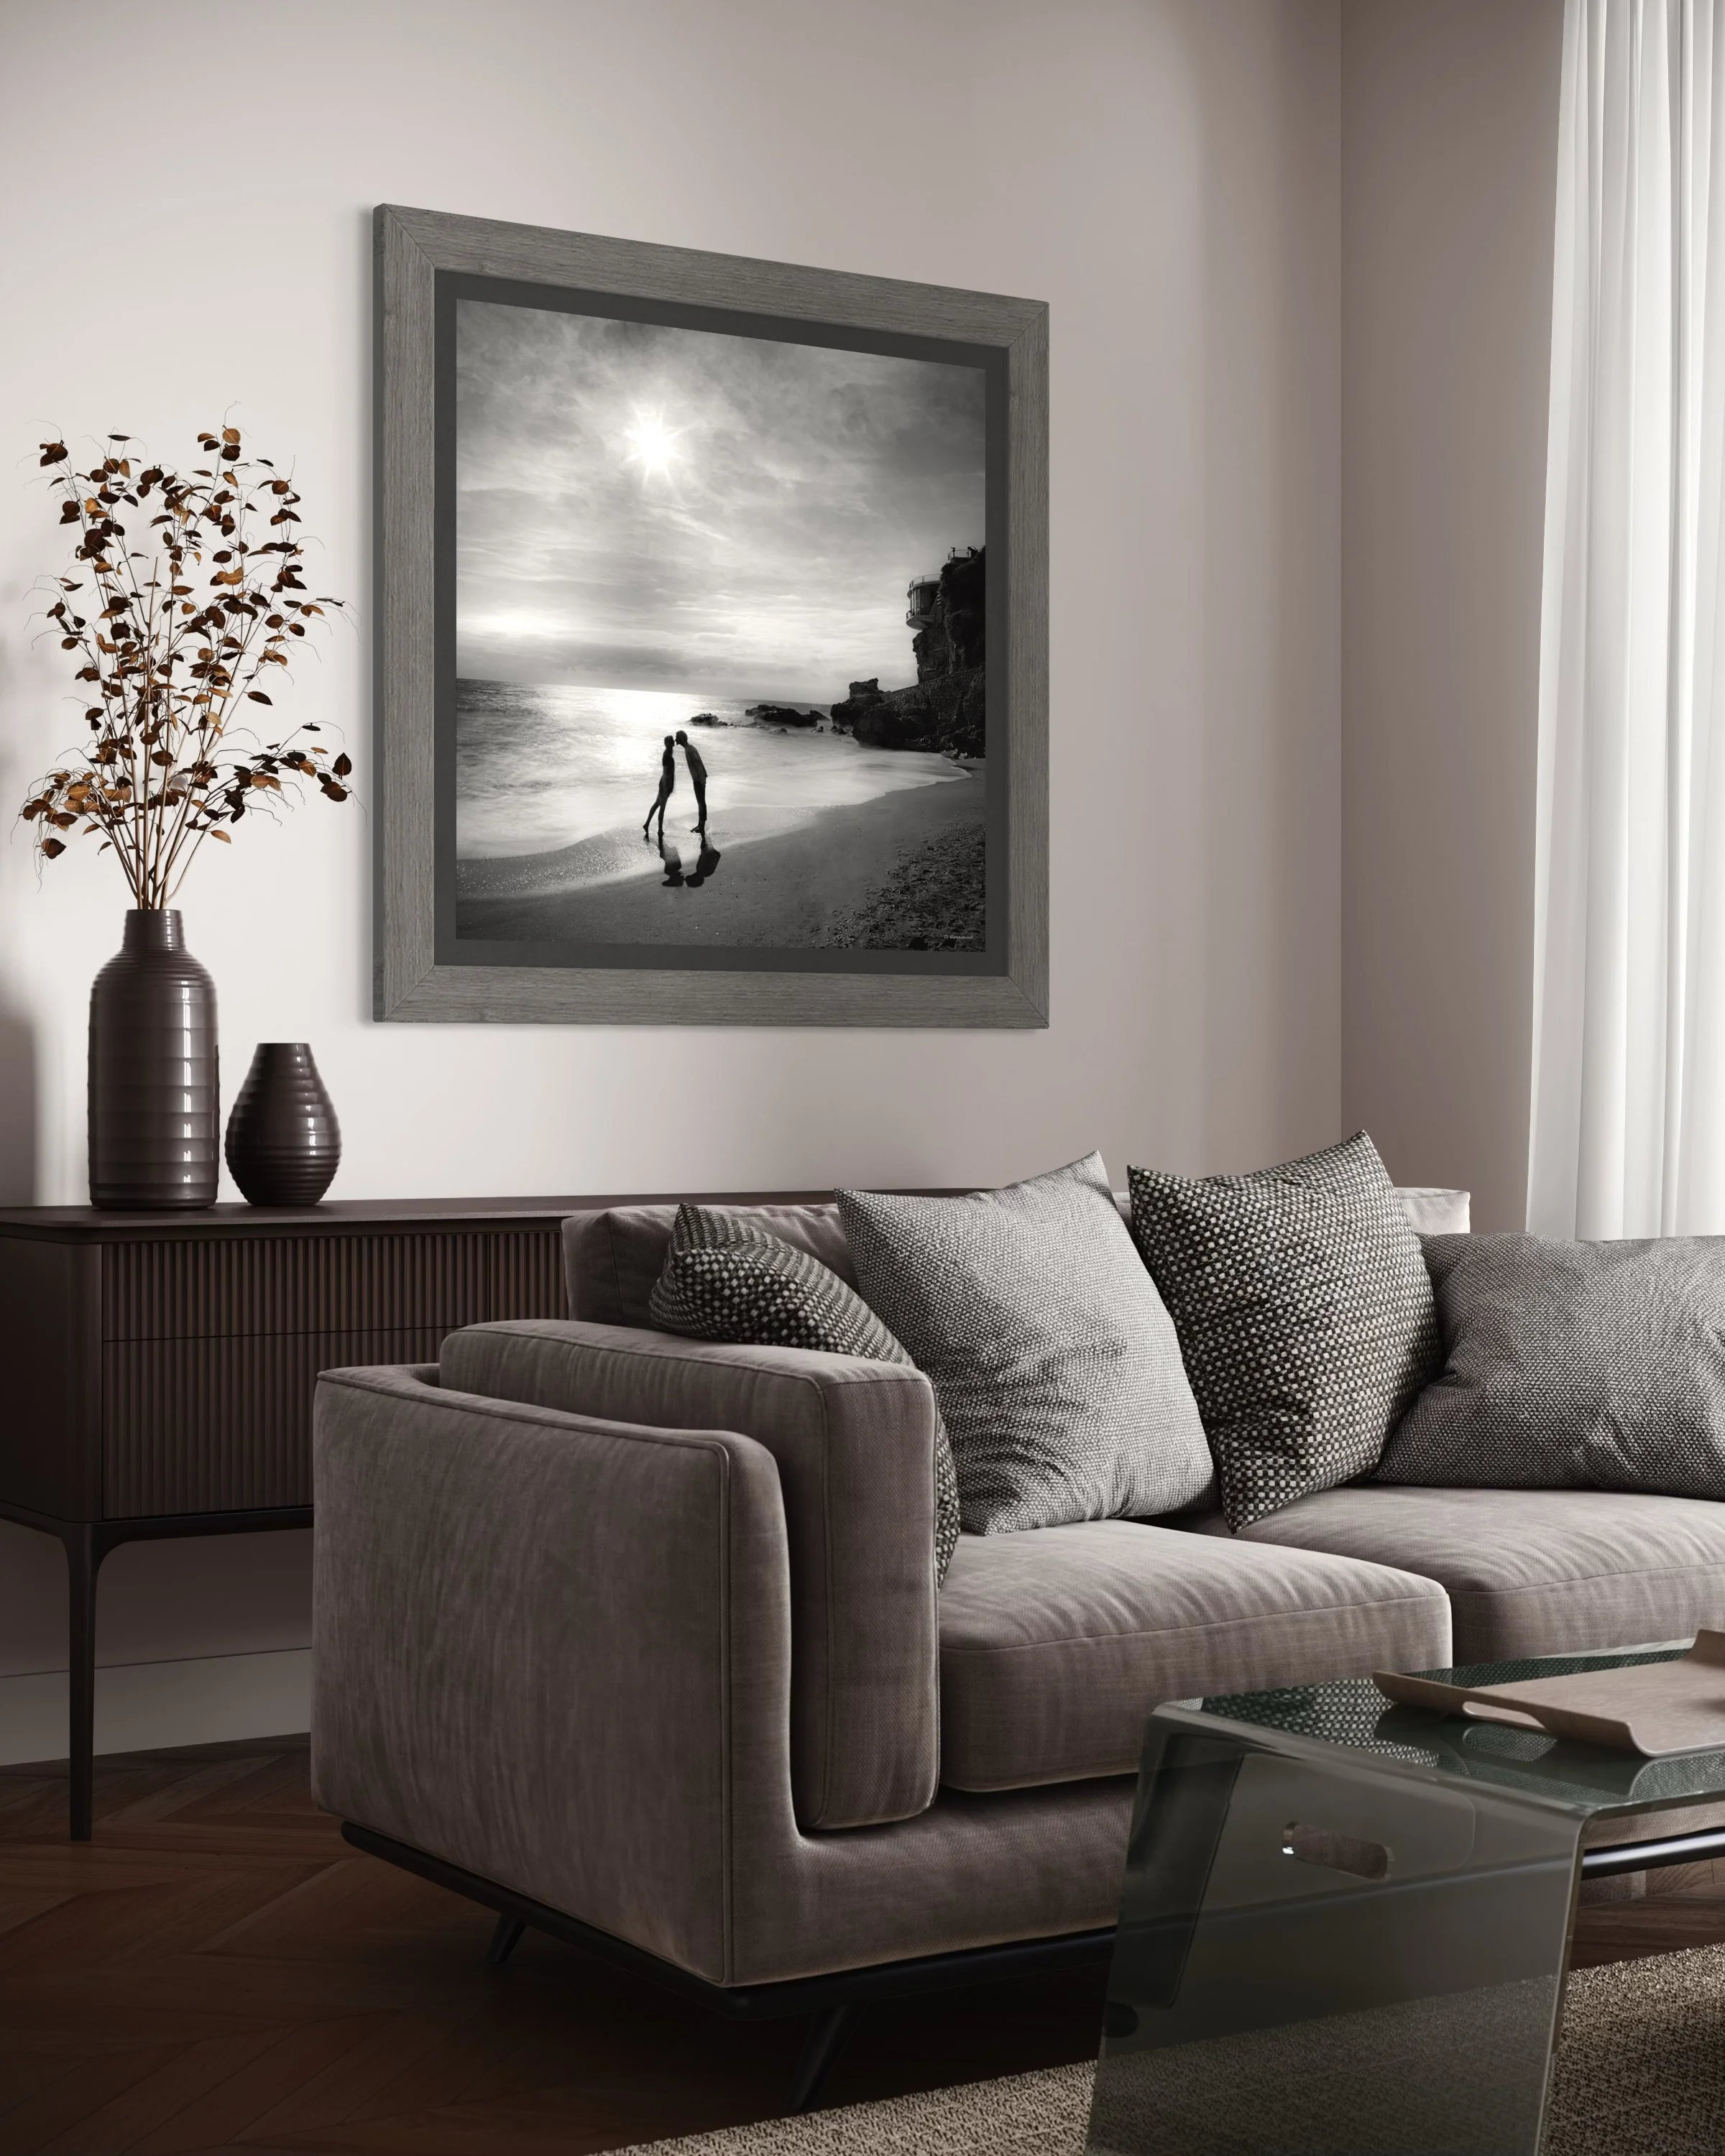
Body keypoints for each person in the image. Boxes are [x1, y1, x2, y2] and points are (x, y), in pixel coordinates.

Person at [643, 734, 676, 841]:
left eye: (669, 743)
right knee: (662, 808)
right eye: (668, 743)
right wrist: (667, 786)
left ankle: (647, 824)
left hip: (665, 783)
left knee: (657, 804)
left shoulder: (669, 753)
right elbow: (666, 772)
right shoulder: (667, 754)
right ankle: (659, 830)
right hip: (664, 784)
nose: (669, 745)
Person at [675, 729, 709, 830]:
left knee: (701, 802)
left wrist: (702, 780)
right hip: (697, 779)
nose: (676, 740)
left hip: (699, 779)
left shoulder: (690, 750)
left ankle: (702, 826)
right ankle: (700, 824)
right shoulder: (688, 749)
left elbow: (699, 765)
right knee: (700, 802)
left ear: (681, 739)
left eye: (677, 738)